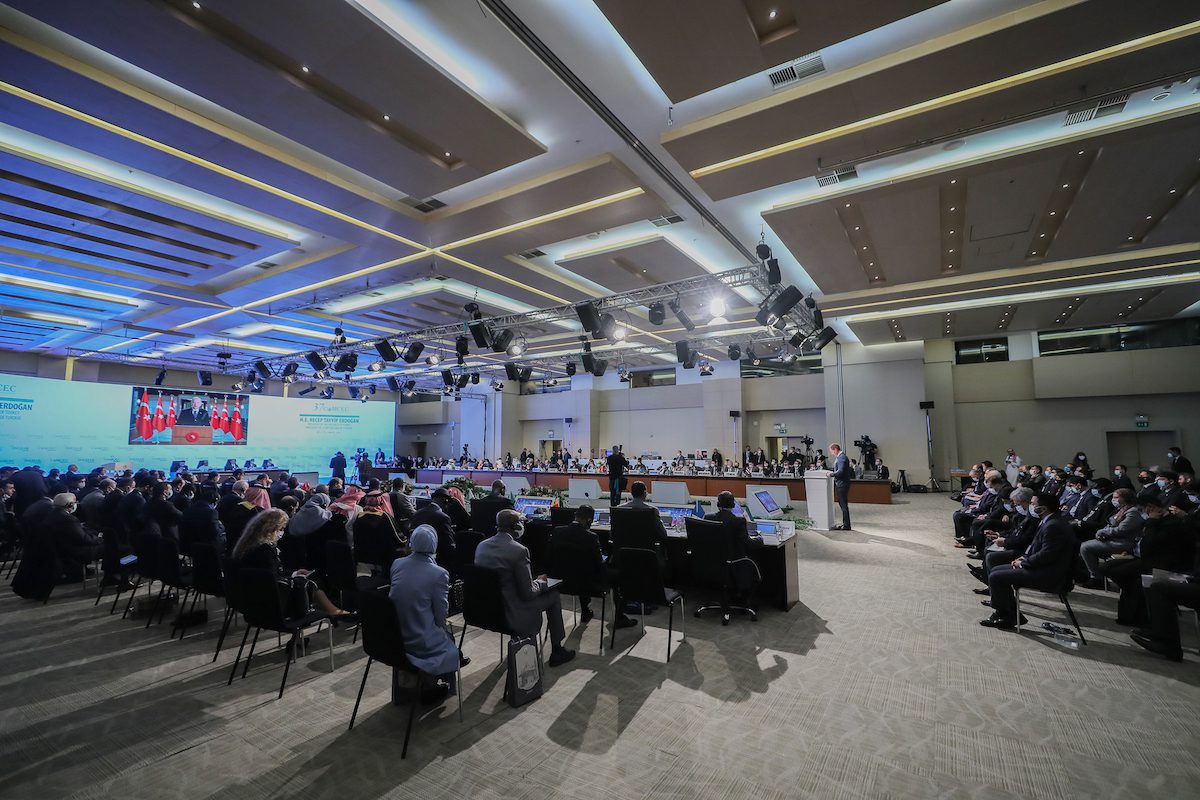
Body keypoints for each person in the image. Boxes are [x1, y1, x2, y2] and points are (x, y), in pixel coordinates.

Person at [475, 509, 575, 666]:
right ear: (517, 527)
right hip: (513, 611)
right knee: (554, 594)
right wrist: (541, 582)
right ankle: (557, 649)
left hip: (487, 612)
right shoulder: (519, 551)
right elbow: (528, 593)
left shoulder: (481, 547)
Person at [389, 524, 468, 701]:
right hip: (418, 640)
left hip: (393, 637)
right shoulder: (439, 574)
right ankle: (429, 686)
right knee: (448, 637)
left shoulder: (397, 564)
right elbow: (441, 616)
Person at [981, 491, 1075, 630]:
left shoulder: (1054, 525)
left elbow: (1047, 554)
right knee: (996, 570)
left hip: (1048, 573)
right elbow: (1037, 546)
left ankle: (1004, 615)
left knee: (996, 576)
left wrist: (1024, 562)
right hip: (1040, 566)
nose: (1030, 506)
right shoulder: (1049, 521)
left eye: (1033, 504)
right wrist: (1024, 557)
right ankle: (1010, 613)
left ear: (1043, 508)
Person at [231, 509, 349, 618]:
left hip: (249, 595)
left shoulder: (246, 544)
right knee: (312, 582)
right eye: (281, 529)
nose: (282, 533)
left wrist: (295, 573)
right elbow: (272, 576)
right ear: (271, 529)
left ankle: (330, 611)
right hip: (271, 599)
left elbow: (270, 573)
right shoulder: (265, 550)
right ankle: (331, 611)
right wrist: (295, 576)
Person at [1078, 488, 1143, 588]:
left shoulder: (1133, 512)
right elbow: (1110, 524)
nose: (1114, 500)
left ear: (1126, 498)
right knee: (1088, 545)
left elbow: (1122, 529)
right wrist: (1102, 532)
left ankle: (1096, 578)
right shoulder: (1121, 509)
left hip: (1125, 542)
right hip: (1113, 539)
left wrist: (1103, 532)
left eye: (1117, 497)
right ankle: (1092, 575)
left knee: (1085, 547)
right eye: (1113, 497)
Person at [411, 489, 457, 572]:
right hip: (437, 561)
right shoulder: (443, 517)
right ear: (445, 501)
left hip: (415, 556)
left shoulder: (417, 513)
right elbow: (449, 544)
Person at [704, 491, 753, 559]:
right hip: (733, 562)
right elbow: (748, 543)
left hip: (712, 561)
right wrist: (760, 539)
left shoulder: (708, 518)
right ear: (733, 505)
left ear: (718, 504)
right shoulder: (739, 521)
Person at [180, 485, 226, 553]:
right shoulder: (212, 512)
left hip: (187, 546)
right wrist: (221, 526)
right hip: (206, 547)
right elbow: (215, 532)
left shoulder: (188, 509)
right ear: (214, 502)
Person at [829, 443, 853, 530]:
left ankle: (846, 525)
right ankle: (845, 524)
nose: (831, 453)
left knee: (843, 504)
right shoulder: (840, 457)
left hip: (842, 484)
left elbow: (841, 472)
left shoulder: (842, 457)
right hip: (841, 483)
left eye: (831, 451)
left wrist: (830, 474)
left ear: (835, 449)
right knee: (842, 503)